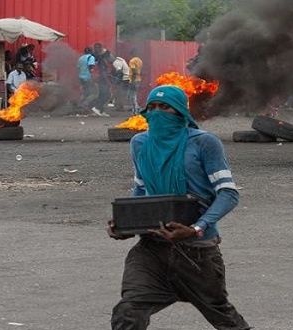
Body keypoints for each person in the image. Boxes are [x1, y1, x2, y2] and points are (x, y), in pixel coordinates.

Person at [107, 85, 251, 330]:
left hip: (196, 254)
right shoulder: (140, 144)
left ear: (181, 112)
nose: (157, 113)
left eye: (165, 107)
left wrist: (196, 228)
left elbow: (228, 194)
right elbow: (141, 190)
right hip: (153, 249)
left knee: (225, 319)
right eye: (151, 108)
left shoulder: (204, 143)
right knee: (128, 312)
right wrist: (126, 223)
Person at [91, 43, 112, 117]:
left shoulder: (96, 57)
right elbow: (103, 72)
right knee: (106, 94)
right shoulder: (102, 60)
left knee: (102, 94)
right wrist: (108, 81)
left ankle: (100, 110)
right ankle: (96, 108)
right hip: (102, 79)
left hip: (99, 78)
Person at [128, 49, 143, 114]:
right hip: (138, 79)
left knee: (132, 95)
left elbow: (133, 70)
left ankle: (135, 110)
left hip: (134, 79)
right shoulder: (140, 60)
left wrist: (132, 81)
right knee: (134, 94)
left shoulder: (132, 61)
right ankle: (137, 108)